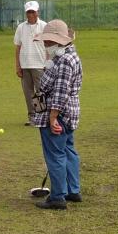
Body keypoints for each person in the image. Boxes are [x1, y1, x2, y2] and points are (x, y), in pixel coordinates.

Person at [32, 19, 83, 210]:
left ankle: (58, 196)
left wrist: (53, 117)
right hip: (70, 113)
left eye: (47, 42)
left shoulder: (64, 61)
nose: (45, 44)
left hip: (58, 113)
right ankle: (72, 190)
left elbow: (60, 92)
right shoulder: (67, 58)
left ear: (58, 42)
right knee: (68, 150)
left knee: (56, 155)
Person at [14, 1, 47, 126]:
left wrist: (48, 63)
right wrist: (17, 65)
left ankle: (41, 116)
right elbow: (17, 47)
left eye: (33, 11)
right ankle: (32, 116)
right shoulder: (21, 27)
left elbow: (49, 45)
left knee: (40, 91)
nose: (31, 14)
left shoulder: (44, 26)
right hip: (25, 64)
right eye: (28, 12)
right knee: (28, 92)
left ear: (37, 12)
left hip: (40, 64)